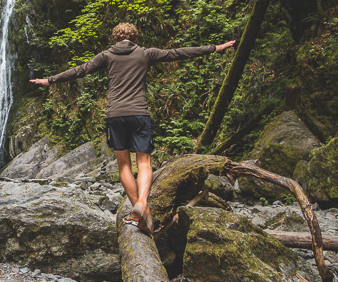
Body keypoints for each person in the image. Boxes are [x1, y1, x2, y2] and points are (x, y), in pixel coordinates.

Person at [30, 22, 235, 234]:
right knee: (144, 163)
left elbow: (80, 70)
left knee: (124, 166)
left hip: (116, 115)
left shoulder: (106, 55)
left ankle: (137, 207)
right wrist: (215, 47)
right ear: (134, 37)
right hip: (139, 114)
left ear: (115, 38)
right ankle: (143, 204)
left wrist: (49, 80)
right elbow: (178, 53)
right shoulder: (145, 53)